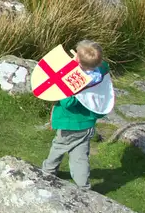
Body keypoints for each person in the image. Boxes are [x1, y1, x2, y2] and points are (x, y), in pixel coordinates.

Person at [41, 40, 110, 188]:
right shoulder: (100, 72)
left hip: (71, 123)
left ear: (77, 58)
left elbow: (67, 103)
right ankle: (83, 186)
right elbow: (104, 66)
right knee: (80, 156)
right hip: (88, 124)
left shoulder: (75, 81)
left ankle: (47, 172)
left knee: (59, 146)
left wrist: (67, 76)